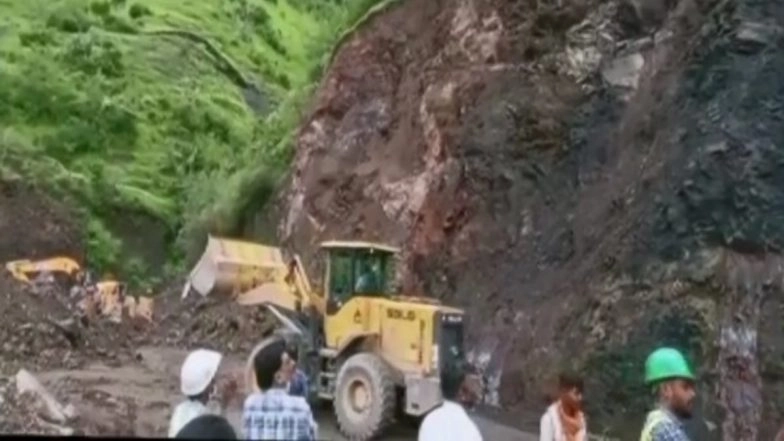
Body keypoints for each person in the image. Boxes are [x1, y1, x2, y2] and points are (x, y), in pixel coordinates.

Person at [243, 337, 317, 440]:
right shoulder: (300, 407)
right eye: (287, 362)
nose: (293, 363)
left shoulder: (250, 405)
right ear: (278, 377)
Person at [168, 348, 236, 438]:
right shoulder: (203, 418)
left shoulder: (181, 410)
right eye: (216, 377)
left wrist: (224, 404)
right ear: (209, 387)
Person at [639, 347, 697, 441]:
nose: (693, 394)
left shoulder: (654, 424)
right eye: (685, 387)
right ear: (665, 389)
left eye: (692, 388)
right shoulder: (665, 428)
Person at [418, 363, 483, 441]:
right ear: (462, 392)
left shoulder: (428, 421)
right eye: (475, 384)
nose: (479, 391)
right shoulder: (470, 431)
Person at [539, 372, 587, 441]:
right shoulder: (550, 419)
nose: (580, 398)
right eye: (576, 393)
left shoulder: (580, 419)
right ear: (563, 391)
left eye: (581, 393)